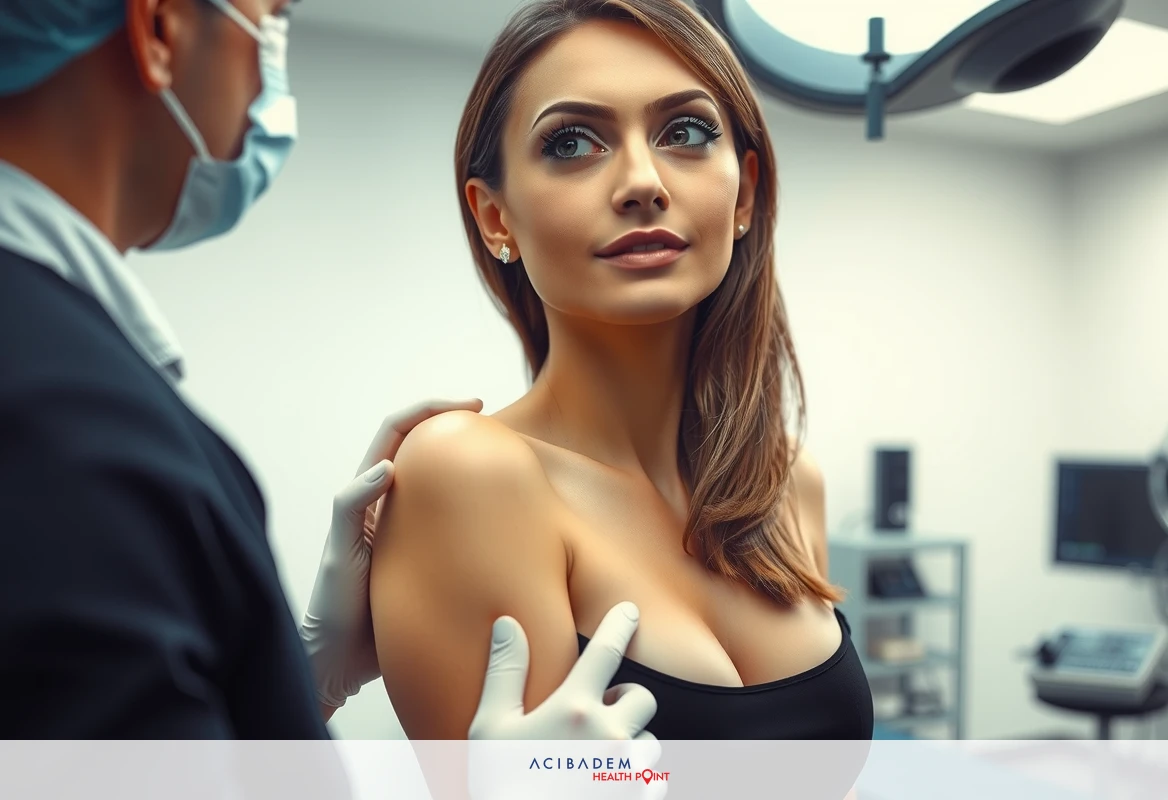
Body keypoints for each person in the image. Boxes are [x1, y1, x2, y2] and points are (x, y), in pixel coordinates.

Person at [0, 0, 656, 743]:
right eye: (271, 18)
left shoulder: (66, 379)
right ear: (157, 30)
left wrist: (296, 683)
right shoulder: (57, 418)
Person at [369, 0, 876, 747]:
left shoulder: (789, 486)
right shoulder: (468, 472)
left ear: (745, 190)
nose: (643, 181)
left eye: (688, 132)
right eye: (573, 142)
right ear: (494, 217)